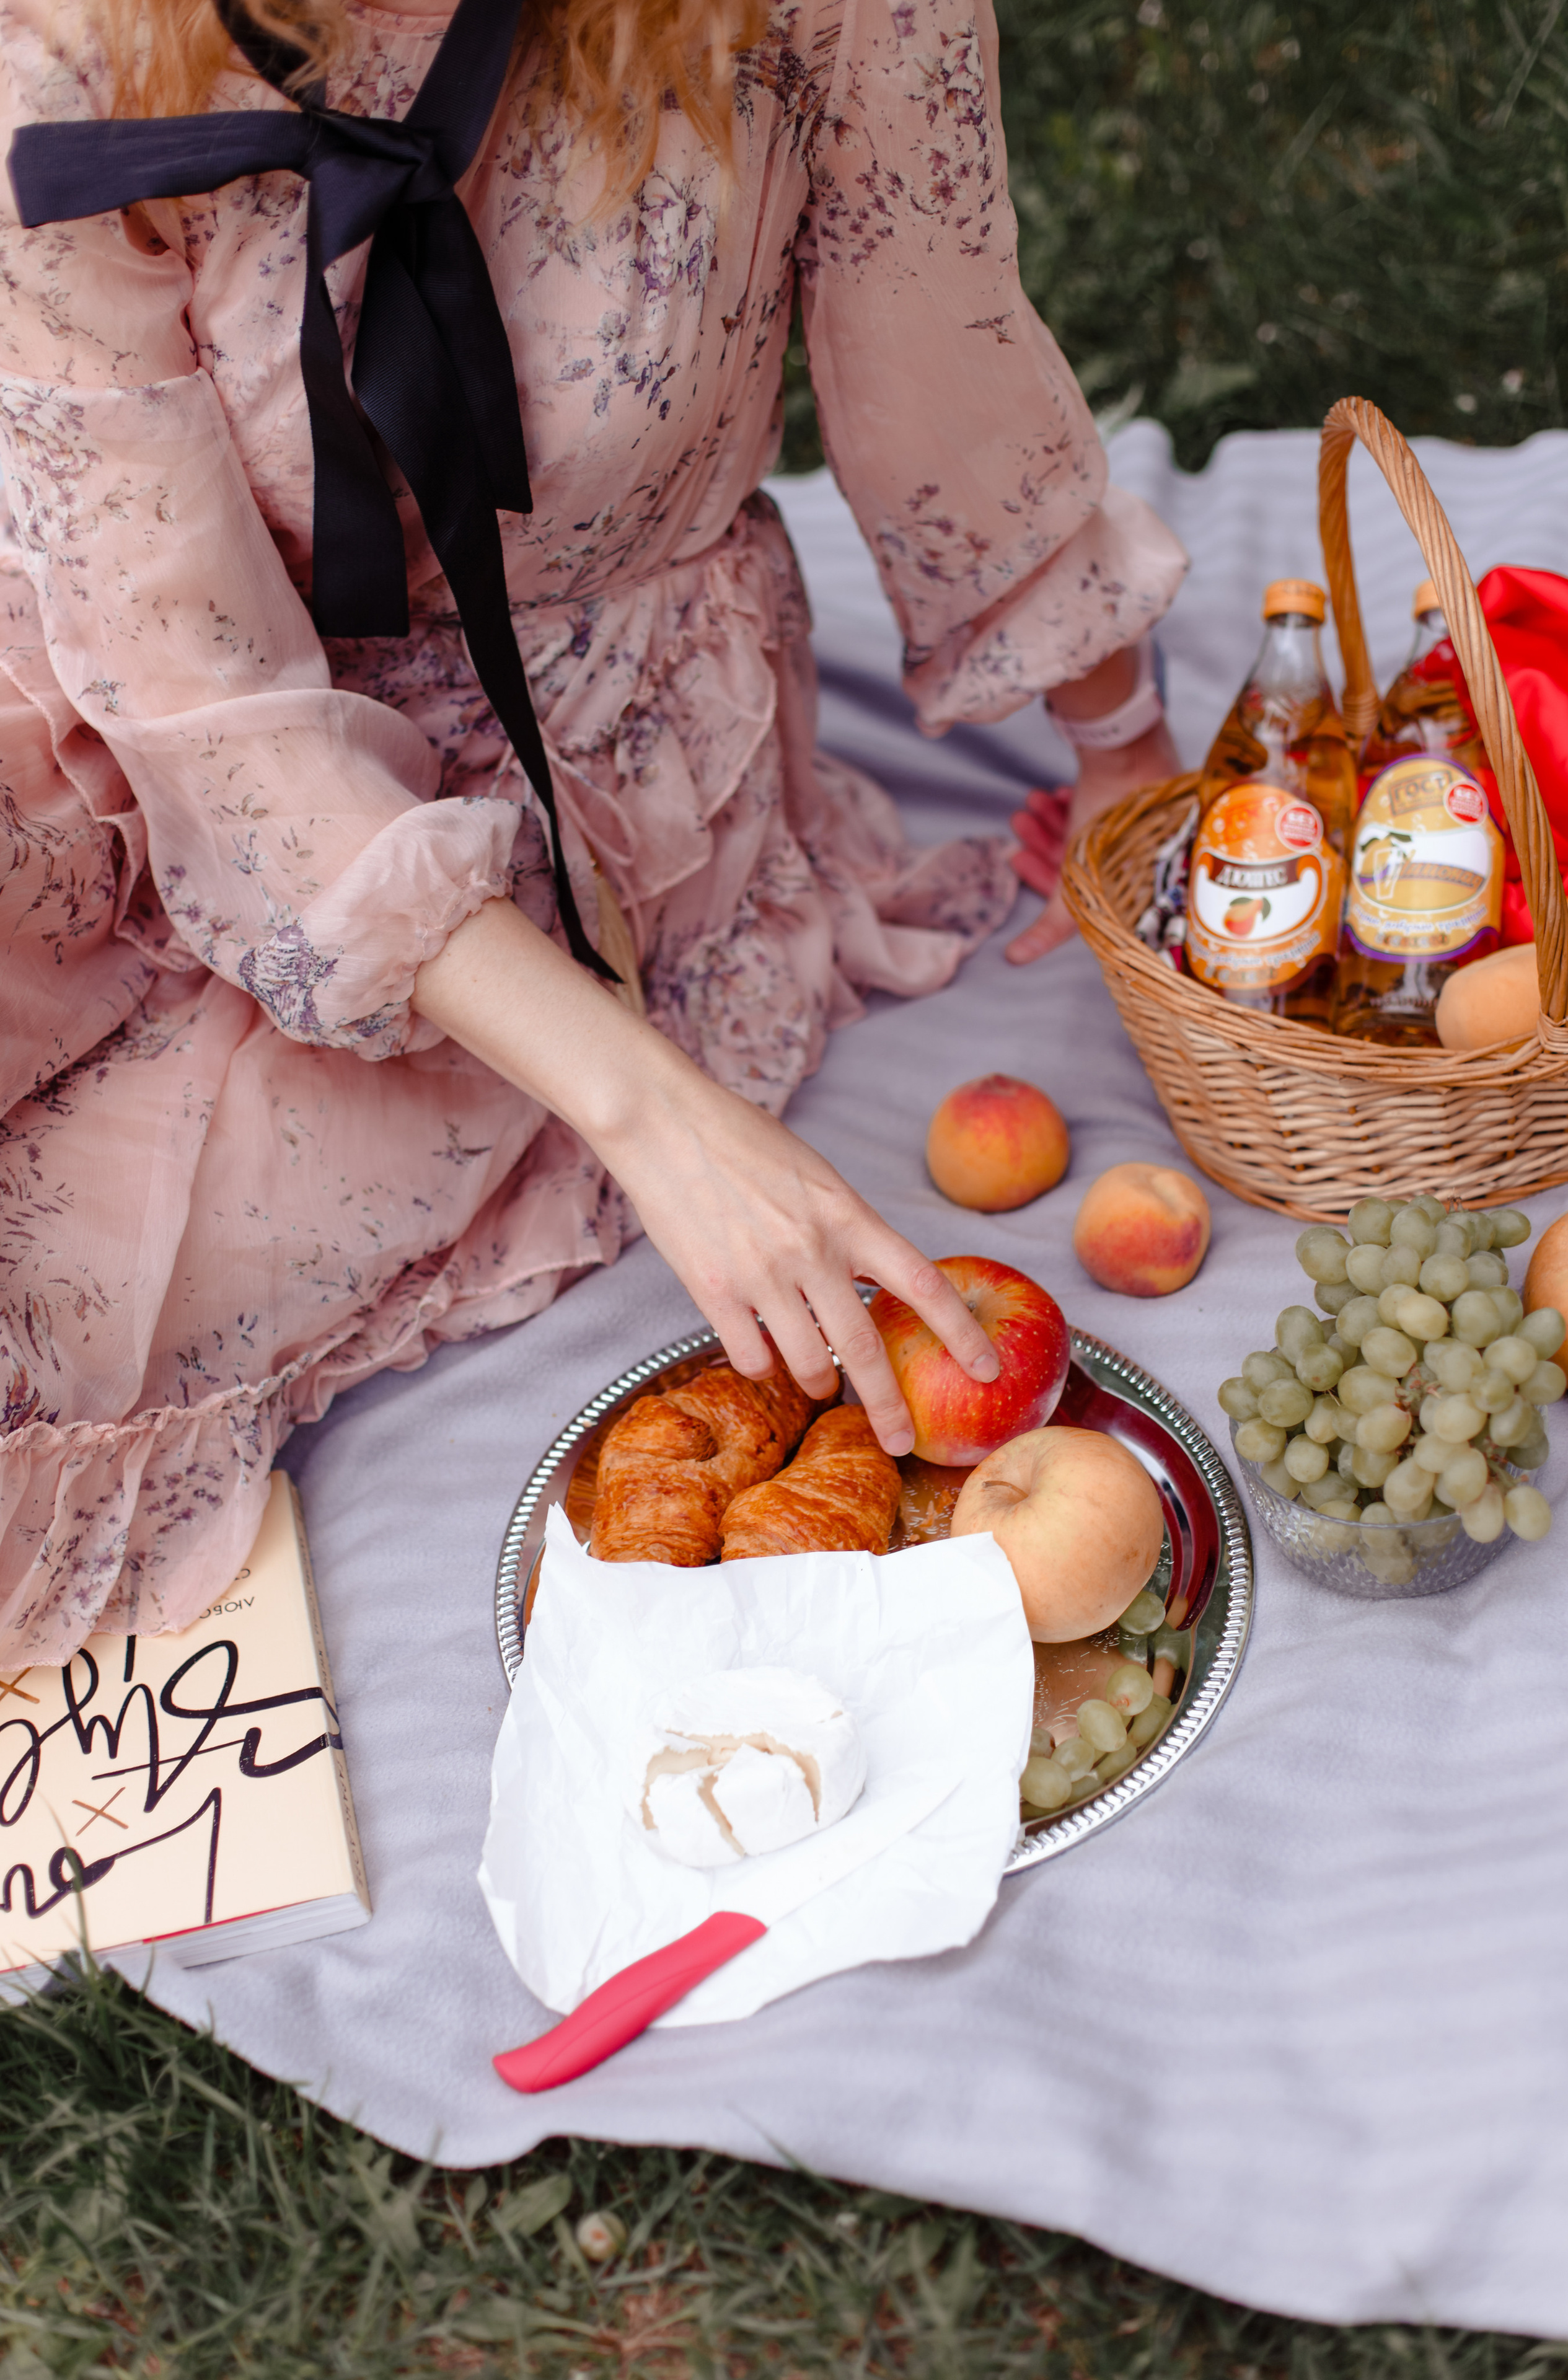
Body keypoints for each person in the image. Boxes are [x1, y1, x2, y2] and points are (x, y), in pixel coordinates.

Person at [0, 0, 1186, 1665]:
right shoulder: (71, 43)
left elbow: (948, 371)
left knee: (54, 1328)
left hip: (564, 776)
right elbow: (186, 684)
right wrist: (668, 1121)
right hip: (135, 701)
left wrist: (1122, 743)